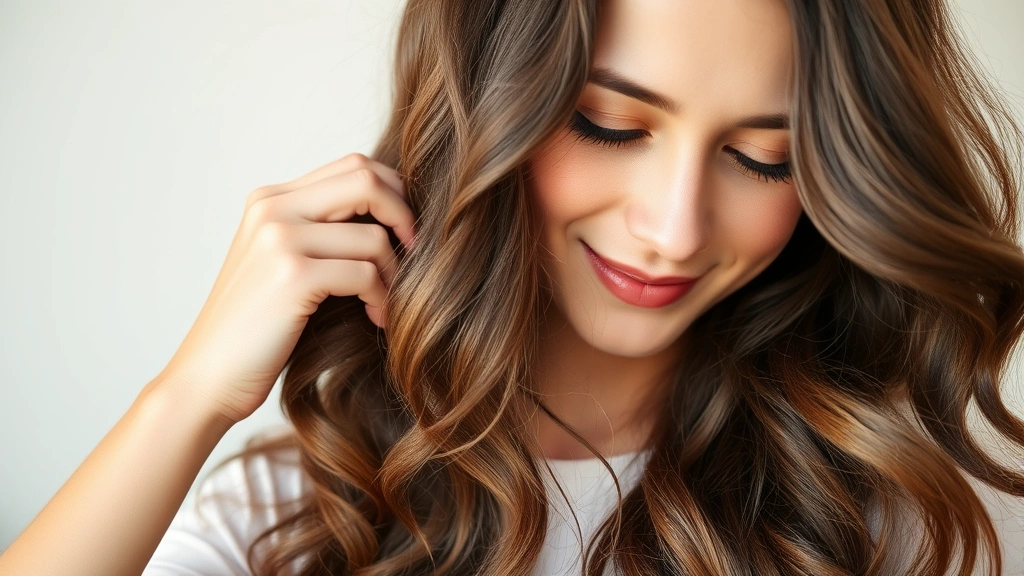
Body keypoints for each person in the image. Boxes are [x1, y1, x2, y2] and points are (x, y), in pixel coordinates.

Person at [3, 0, 1024, 574]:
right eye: (608, 126)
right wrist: (186, 400)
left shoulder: (879, 514)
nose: (671, 230)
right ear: (491, 112)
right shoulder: (298, 512)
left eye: (763, 157)